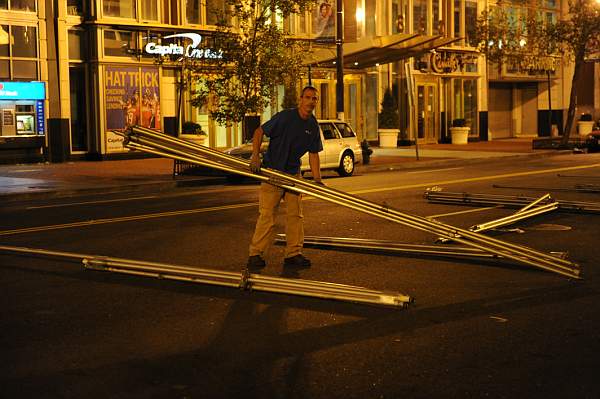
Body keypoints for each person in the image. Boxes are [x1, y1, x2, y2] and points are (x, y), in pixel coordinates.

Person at [247, 86, 323, 271]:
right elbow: (259, 132)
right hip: (273, 172)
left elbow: (313, 154)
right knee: (267, 216)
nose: (311, 101)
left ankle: (293, 254)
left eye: (314, 98)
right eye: (307, 97)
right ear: (301, 99)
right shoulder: (285, 117)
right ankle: (255, 254)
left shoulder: (312, 125)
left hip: (292, 175)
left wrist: (317, 180)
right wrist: (255, 156)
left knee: (295, 215)